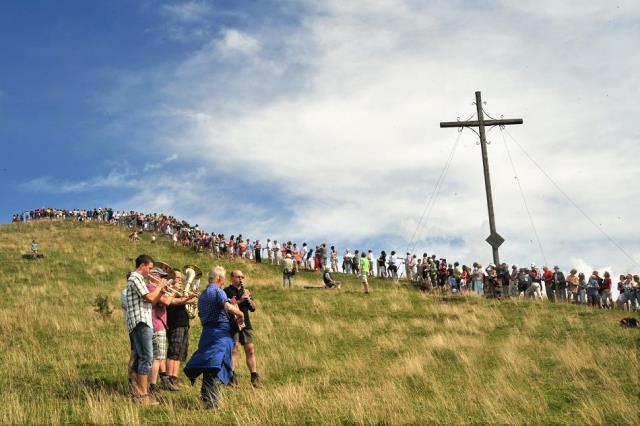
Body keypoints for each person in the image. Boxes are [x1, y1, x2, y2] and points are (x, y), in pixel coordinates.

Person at [184, 266, 244, 409]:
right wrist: (240, 314)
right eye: (222, 280)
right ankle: (213, 403)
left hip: (207, 334)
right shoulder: (218, 291)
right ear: (219, 279)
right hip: (220, 334)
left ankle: (206, 399)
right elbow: (227, 307)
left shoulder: (203, 294)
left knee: (208, 366)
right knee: (215, 367)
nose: (223, 282)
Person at [125, 254, 165, 405]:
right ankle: (143, 395)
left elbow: (153, 301)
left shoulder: (138, 279)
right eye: (149, 268)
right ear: (142, 265)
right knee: (146, 358)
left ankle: (136, 392)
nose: (149, 271)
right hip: (141, 322)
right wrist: (160, 286)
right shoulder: (135, 278)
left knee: (140, 358)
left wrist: (161, 289)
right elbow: (149, 297)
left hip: (142, 321)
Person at [225, 270, 261, 388]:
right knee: (233, 349)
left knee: (250, 349)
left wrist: (249, 299)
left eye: (242, 277)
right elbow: (229, 306)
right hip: (233, 323)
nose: (241, 279)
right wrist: (240, 300)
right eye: (238, 277)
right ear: (232, 278)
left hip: (246, 323)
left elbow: (253, 308)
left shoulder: (245, 290)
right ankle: (231, 376)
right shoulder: (227, 291)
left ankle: (254, 376)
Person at [165, 271, 198, 390]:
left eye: (180, 278)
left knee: (180, 352)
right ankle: (168, 379)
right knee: (174, 350)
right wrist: (188, 300)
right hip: (174, 323)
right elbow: (171, 302)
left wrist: (191, 296)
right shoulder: (168, 290)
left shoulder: (180, 291)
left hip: (184, 323)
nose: (180, 280)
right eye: (177, 277)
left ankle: (174, 378)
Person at [147, 267, 174, 395]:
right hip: (157, 325)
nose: (163, 279)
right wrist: (171, 290)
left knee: (156, 357)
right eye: (162, 277)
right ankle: (152, 385)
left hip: (156, 325)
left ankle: (153, 383)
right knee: (157, 358)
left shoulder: (154, 289)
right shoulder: (151, 288)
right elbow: (167, 301)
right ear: (155, 276)